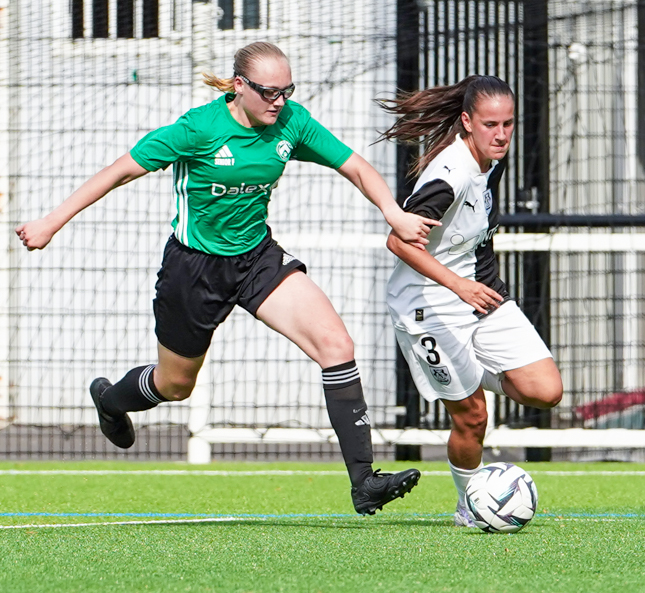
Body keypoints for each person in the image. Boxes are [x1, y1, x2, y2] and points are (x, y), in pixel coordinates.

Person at [15, 42, 439, 516]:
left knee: (336, 345)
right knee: (176, 385)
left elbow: (355, 166)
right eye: (269, 92)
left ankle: (365, 482)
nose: (280, 101)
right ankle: (112, 401)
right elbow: (117, 173)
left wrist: (393, 213)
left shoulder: (291, 122)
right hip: (193, 270)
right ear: (240, 86)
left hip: (257, 258)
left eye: (287, 90)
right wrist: (51, 222)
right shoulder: (198, 129)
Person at [376, 75, 563, 527]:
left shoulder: (490, 161)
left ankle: (465, 373)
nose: (501, 135)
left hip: (480, 295)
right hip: (427, 307)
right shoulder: (450, 176)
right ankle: (469, 506)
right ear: (467, 122)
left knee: (545, 391)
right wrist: (458, 286)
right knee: (473, 416)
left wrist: (474, 285)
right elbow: (398, 242)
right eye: (490, 125)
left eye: (508, 124)